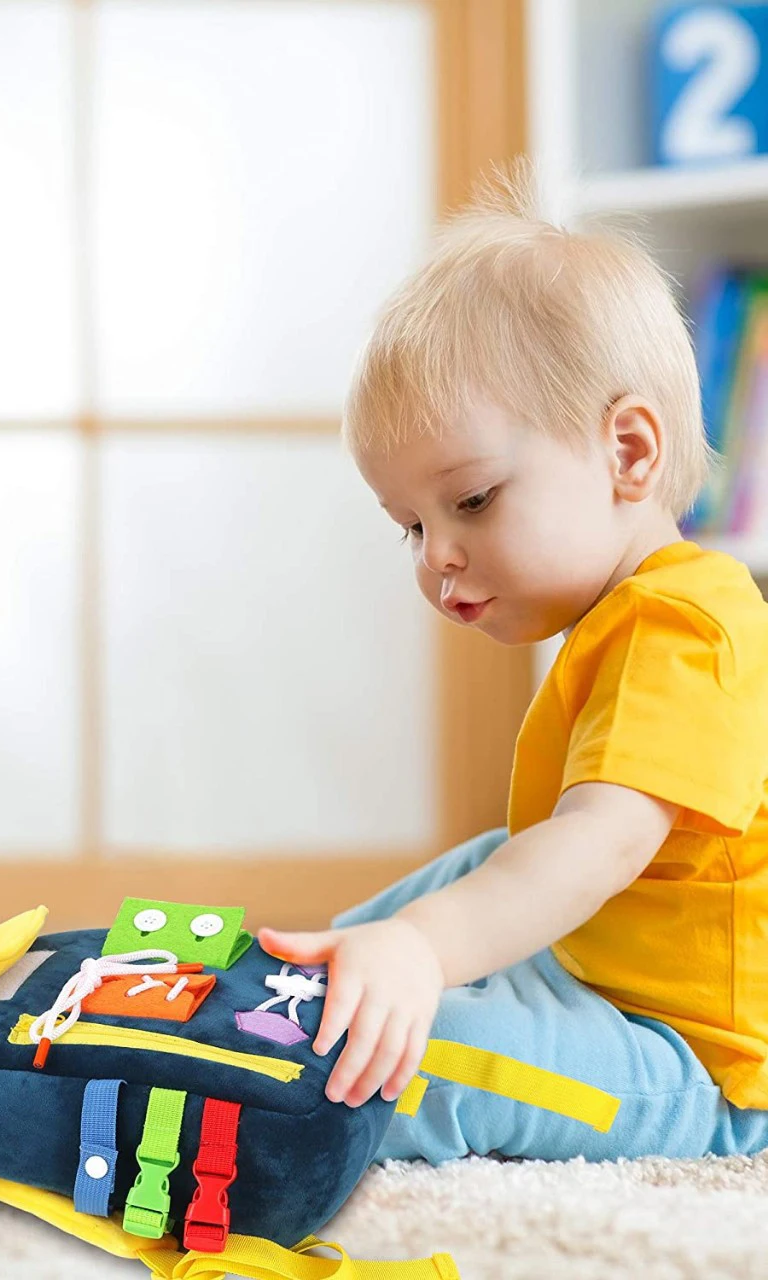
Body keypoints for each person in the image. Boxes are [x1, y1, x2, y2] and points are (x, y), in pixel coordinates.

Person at [259, 174, 768, 1164]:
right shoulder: (626, 613)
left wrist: (428, 947)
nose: (433, 553)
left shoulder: (689, 624)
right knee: (490, 853)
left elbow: (600, 847)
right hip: (601, 968)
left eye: (472, 500)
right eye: (409, 525)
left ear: (626, 449)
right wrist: (409, 932)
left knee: (425, 1053)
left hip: (701, 1059)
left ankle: (324, 1034)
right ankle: (312, 976)